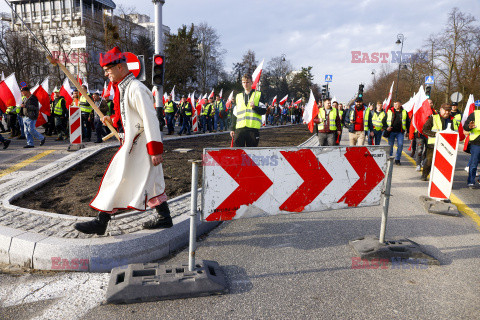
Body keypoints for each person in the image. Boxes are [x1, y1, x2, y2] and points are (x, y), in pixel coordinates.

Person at [73, 46, 173, 235]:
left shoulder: (136, 88)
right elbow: (128, 115)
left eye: (108, 70)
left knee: (118, 177)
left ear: (120, 67)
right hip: (135, 143)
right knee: (151, 181)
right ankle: (164, 217)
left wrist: (155, 149)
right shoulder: (125, 88)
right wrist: (113, 120)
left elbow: (150, 119)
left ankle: (101, 221)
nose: (106, 74)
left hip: (141, 145)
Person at [421, 103, 457, 181]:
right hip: (433, 144)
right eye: (445, 110)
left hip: (447, 145)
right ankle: (424, 175)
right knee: (429, 161)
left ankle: (444, 180)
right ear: (441, 110)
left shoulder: (453, 120)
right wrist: (435, 134)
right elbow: (425, 130)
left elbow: (456, 132)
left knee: (444, 163)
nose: (447, 112)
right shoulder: (433, 118)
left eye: (448, 111)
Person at [230, 74, 266, 147]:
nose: (245, 84)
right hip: (240, 129)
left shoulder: (258, 95)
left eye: (247, 82)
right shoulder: (238, 96)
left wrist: (255, 107)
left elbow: (263, 111)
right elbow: (235, 114)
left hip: (252, 130)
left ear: (252, 82)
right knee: (238, 153)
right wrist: (232, 128)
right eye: (243, 82)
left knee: (252, 153)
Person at [460, 108, 479, 188]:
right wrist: (469, 127)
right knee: (474, 163)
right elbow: (466, 127)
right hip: (477, 142)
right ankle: (471, 181)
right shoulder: (475, 114)